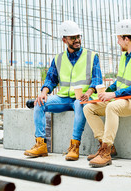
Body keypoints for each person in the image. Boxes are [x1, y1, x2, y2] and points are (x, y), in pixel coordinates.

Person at [24, 20, 102, 161]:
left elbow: (97, 80)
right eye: (73, 38)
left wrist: (89, 92)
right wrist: (44, 92)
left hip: (82, 98)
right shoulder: (58, 59)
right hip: (63, 98)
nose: (77, 40)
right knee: (39, 103)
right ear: (64, 40)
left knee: (80, 105)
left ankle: (74, 146)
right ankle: (40, 145)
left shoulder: (92, 56)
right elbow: (51, 79)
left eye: (78, 36)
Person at [84, 19, 131, 168]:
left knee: (112, 107)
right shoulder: (125, 56)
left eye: (118, 38)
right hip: (125, 98)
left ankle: (106, 151)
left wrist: (114, 95)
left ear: (126, 39)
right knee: (89, 108)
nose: (117, 42)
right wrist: (103, 95)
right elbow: (119, 82)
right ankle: (103, 143)